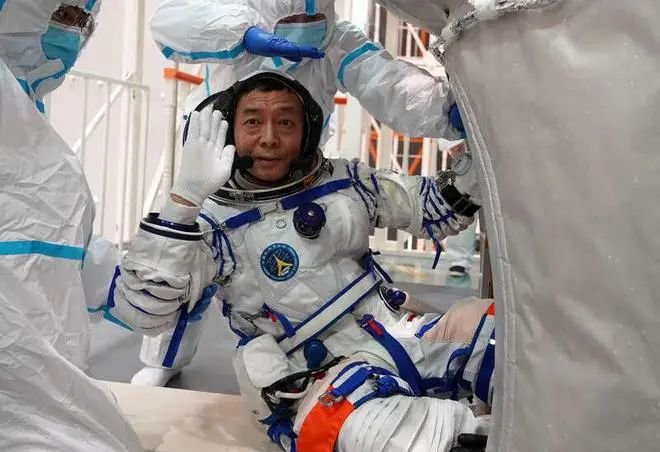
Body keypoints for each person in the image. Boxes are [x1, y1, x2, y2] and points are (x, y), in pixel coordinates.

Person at [108, 70, 493, 451]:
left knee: (503, 336)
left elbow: (433, 208)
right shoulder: (211, 225)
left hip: (400, 333)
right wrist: (183, 202)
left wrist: (482, 149)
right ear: (229, 133)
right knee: (381, 432)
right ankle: (473, 430)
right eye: (253, 122)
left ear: (307, 132)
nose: (269, 138)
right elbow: (143, 312)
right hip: (318, 374)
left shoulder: (345, 181)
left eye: (285, 123)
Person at [0, 2, 142, 449]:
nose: (73, 32)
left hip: (48, 387)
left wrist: (136, 283)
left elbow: (58, 251)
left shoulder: (33, 122)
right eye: (63, 12)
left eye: (83, 21)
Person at [150, 0, 457, 144]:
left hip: (296, 177)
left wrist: (442, 110)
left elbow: (388, 83)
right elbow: (167, 22)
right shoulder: (234, 21)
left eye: (311, 20)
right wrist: (240, 34)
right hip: (216, 172)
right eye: (291, 20)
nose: (302, 27)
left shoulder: (337, 42)